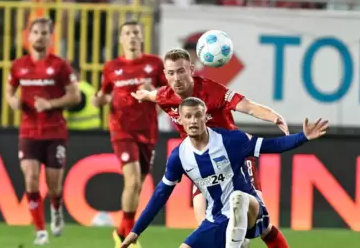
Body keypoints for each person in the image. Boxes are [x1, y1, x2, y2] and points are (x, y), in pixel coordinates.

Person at [131, 48, 290, 248]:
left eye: (181, 71)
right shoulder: (165, 95)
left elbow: (247, 106)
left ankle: (242, 237)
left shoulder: (211, 90)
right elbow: (155, 95)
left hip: (234, 160)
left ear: (191, 69)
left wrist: (274, 117)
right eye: (171, 73)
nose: (177, 78)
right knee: (205, 226)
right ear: (165, 75)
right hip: (203, 163)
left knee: (261, 223)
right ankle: (236, 242)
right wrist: (145, 94)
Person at [121, 97, 329, 248]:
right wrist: (136, 230)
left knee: (239, 199)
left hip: (251, 208)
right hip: (217, 218)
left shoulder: (231, 140)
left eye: (197, 116)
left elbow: (272, 144)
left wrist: (303, 137)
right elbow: (160, 195)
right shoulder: (180, 156)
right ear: (180, 121)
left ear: (206, 117)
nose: (193, 121)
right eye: (188, 117)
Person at [92, 20, 168, 248]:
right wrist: (99, 100)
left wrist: (153, 91)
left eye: (136, 32)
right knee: (132, 179)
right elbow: (103, 94)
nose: (132, 37)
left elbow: (168, 94)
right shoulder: (112, 67)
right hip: (121, 130)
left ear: (141, 37)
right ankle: (129, 237)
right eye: (127, 33)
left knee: (137, 185)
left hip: (147, 131)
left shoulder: (154, 64)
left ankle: (121, 231)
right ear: (121, 39)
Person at [5, 17, 81, 245]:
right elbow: (9, 93)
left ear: (50, 37)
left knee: (54, 184)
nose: (40, 36)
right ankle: (40, 231)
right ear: (28, 36)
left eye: (44, 32)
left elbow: (75, 96)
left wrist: (50, 104)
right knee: (30, 179)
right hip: (28, 131)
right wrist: (14, 102)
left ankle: (56, 209)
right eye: (36, 32)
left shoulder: (60, 65)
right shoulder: (18, 65)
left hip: (54, 132)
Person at [64, 63, 101, 130]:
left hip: (81, 133)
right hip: (93, 131)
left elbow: (72, 104)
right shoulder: (88, 87)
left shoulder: (78, 89)